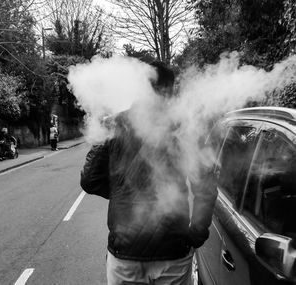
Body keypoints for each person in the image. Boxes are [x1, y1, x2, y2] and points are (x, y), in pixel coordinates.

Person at [80, 61, 217, 285]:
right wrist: (197, 233)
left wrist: (122, 191)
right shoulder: (184, 126)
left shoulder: (116, 124)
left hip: (125, 253)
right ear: (170, 91)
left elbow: (89, 181)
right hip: (173, 250)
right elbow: (206, 187)